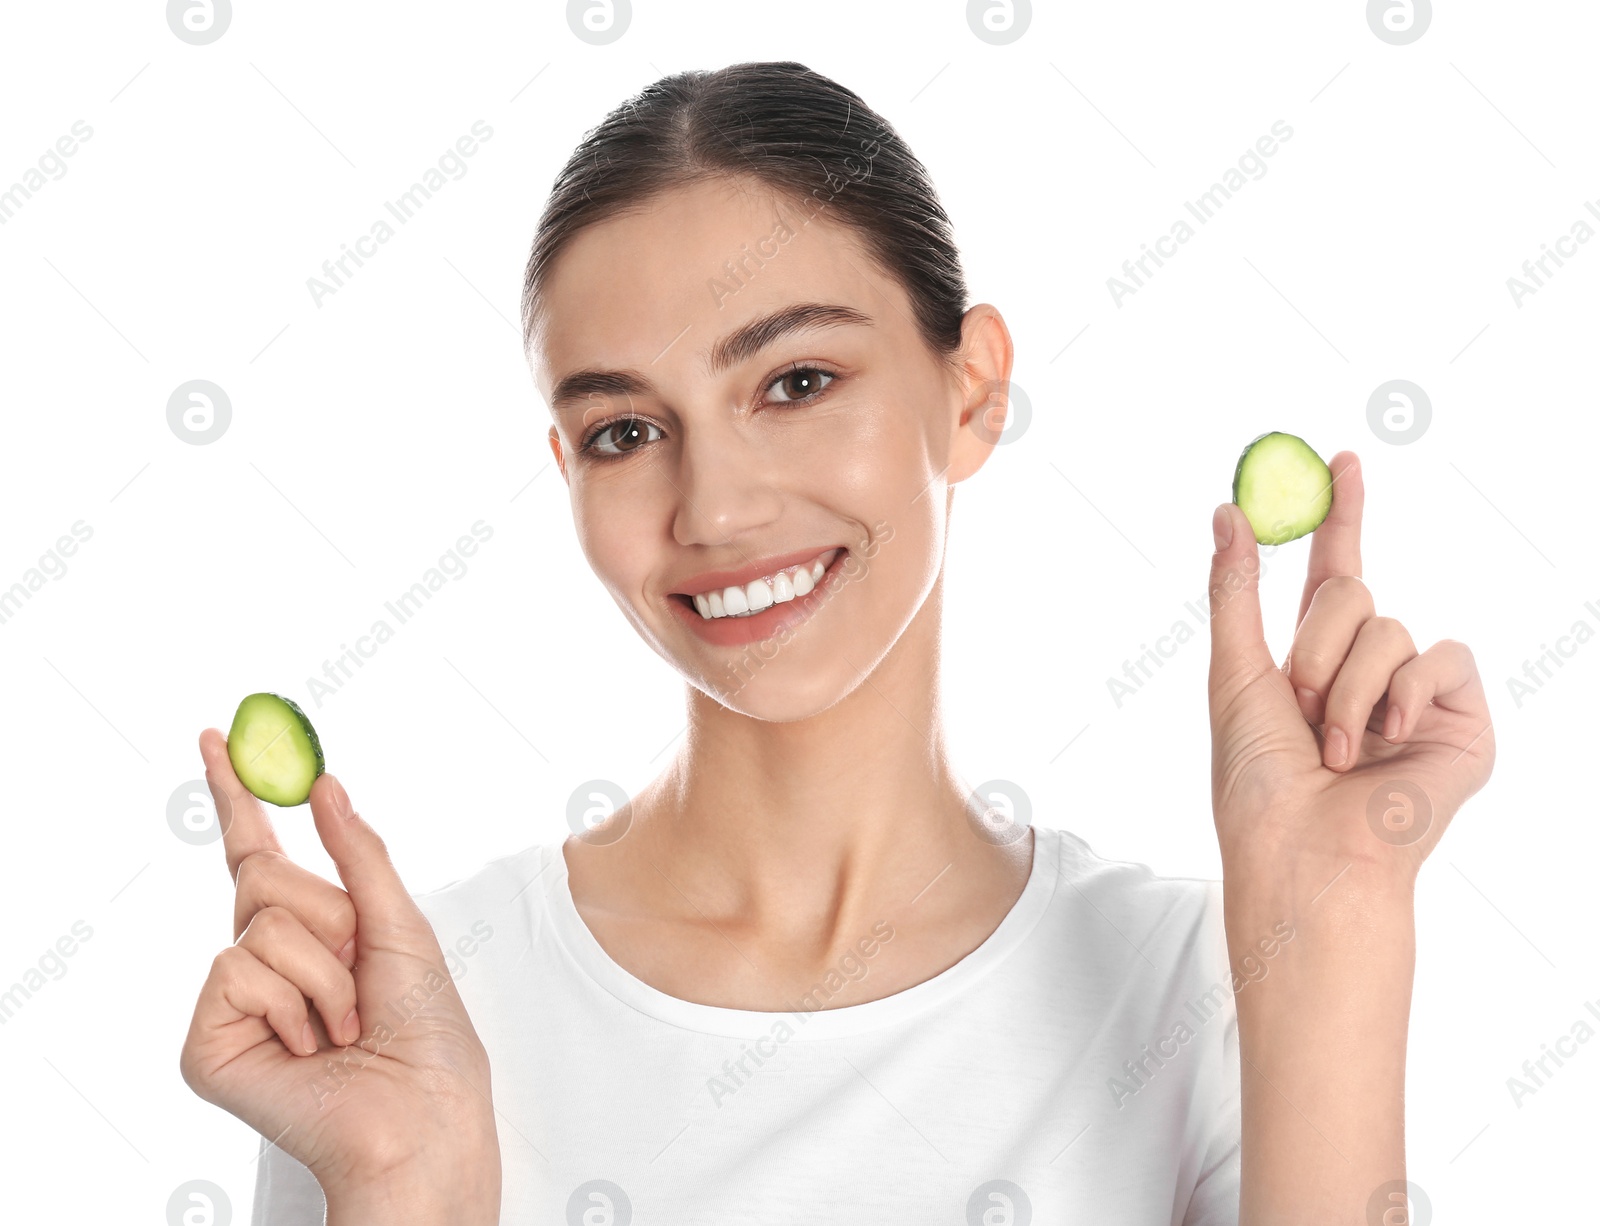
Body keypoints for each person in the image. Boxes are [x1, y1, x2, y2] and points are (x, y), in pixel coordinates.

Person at [179, 61, 1495, 1224]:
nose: (716, 507)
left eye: (795, 381)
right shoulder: (411, 1005)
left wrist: (1336, 918)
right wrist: (405, 1190)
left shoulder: (1198, 991)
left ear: (970, 391)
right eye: (624, 431)